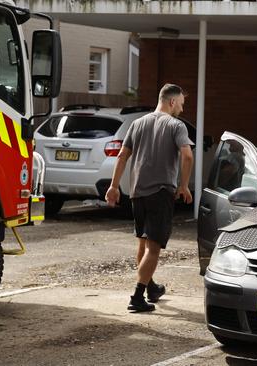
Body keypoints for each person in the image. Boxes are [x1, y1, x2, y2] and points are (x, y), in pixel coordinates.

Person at [105, 83, 194, 312]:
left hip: (137, 192)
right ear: (172, 102)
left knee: (143, 242)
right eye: (181, 105)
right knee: (153, 248)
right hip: (161, 192)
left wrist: (114, 186)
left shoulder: (137, 123)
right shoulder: (176, 125)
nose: (182, 110)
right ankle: (137, 297)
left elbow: (122, 156)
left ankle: (151, 287)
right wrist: (184, 185)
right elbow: (187, 156)